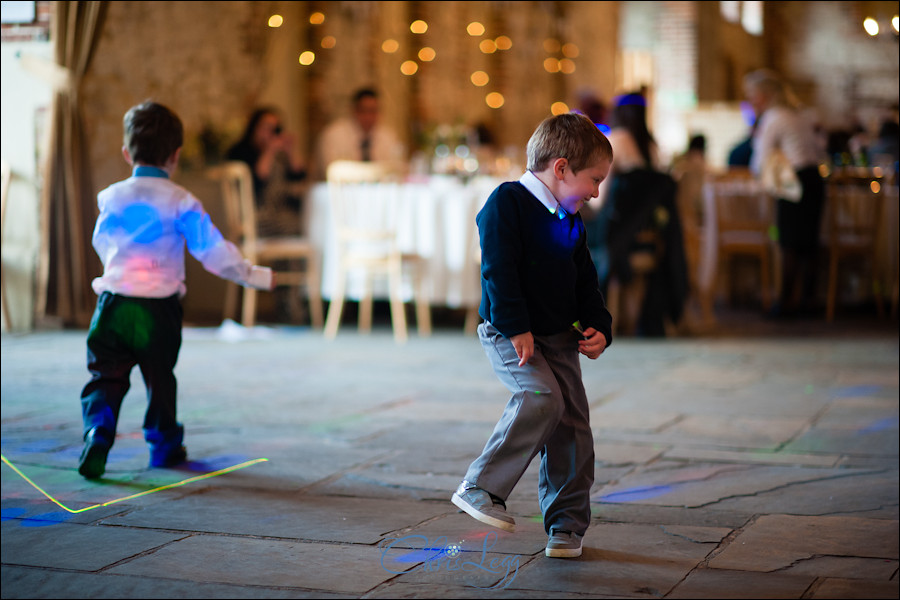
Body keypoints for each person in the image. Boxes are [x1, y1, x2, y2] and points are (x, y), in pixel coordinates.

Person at [78, 101, 275, 479]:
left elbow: (101, 241)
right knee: (160, 377)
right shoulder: (182, 201)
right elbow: (212, 251)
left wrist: (119, 271)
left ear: (126, 153)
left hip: (115, 303)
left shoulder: (112, 196)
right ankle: (164, 445)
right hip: (159, 308)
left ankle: (98, 432)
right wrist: (253, 275)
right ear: (176, 155)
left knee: (105, 376)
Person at [450, 112, 613, 559]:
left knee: (573, 427)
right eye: (593, 179)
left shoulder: (570, 217)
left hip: (559, 337)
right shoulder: (507, 203)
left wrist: (599, 324)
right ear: (561, 168)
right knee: (543, 398)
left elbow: (584, 282)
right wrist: (516, 325)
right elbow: (498, 270)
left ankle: (566, 525)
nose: (597, 191)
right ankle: (479, 486)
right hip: (509, 332)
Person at [586, 92, 688, 337]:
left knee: (567, 232)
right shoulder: (652, 147)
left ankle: (579, 314)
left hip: (617, 235)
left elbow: (601, 198)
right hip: (648, 237)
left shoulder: (615, 140)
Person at [743, 69, 826, 318]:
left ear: (766, 96)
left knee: (789, 243)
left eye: (753, 96)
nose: (751, 103)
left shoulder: (774, 118)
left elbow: (760, 160)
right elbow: (819, 152)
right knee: (808, 245)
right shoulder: (798, 114)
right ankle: (808, 302)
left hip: (795, 183)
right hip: (814, 180)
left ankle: (785, 304)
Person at [226, 106, 308, 237]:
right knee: (300, 225)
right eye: (266, 128)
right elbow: (257, 181)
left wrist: (291, 151)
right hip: (253, 214)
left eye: (276, 129)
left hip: (280, 212)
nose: (271, 133)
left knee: (309, 221)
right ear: (254, 128)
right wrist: (269, 151)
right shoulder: (241, 151)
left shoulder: (279, 157)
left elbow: (299, 178)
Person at [315, 87, 405, 178]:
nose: (368, 117)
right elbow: (331, 170)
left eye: (373, 111)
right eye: (364, 111)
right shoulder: (334, 135)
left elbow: (396, 169)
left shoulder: (388, 136)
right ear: (354, 111)